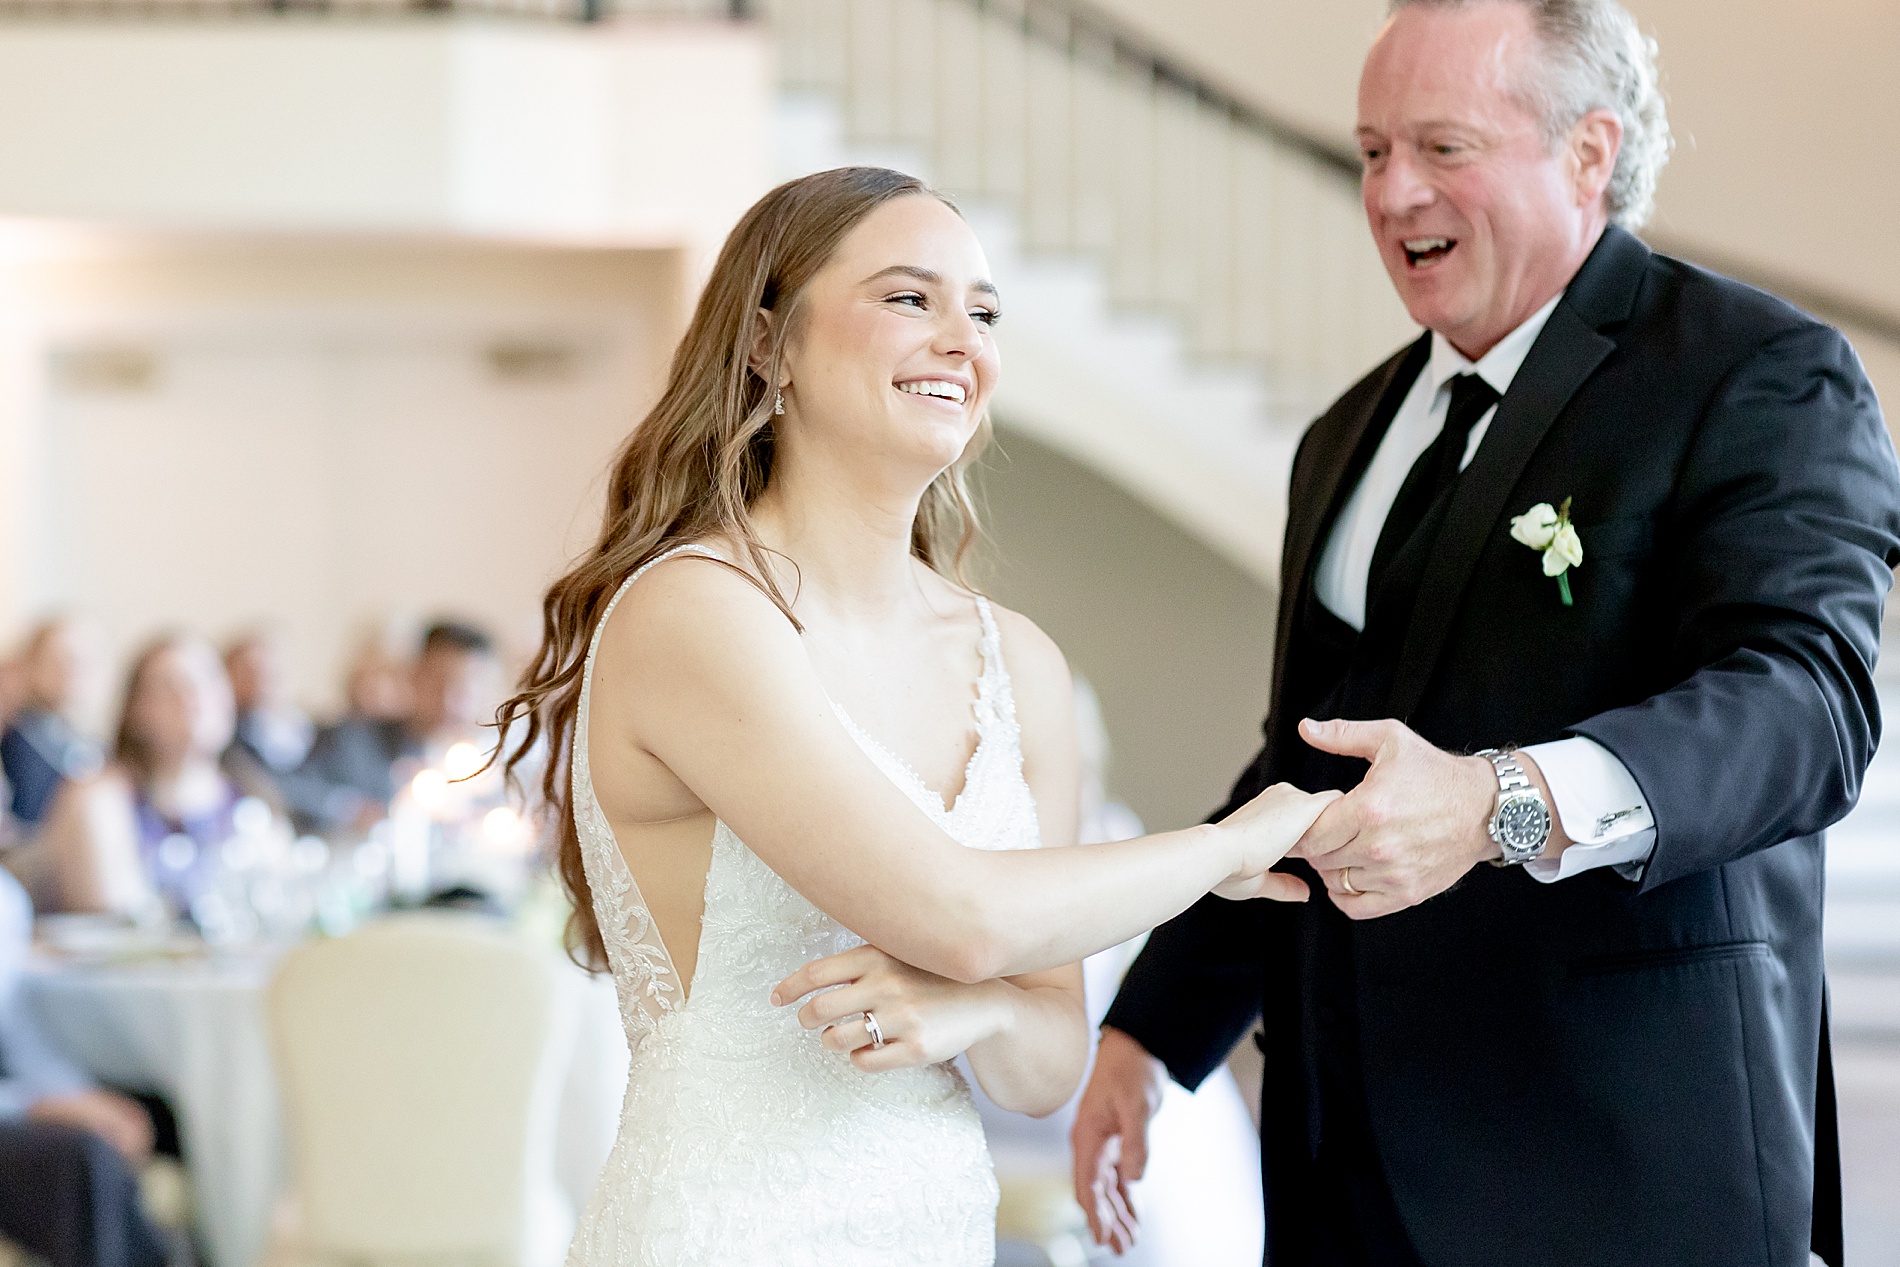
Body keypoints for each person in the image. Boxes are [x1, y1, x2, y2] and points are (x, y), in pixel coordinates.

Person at [1074, 3, 1900, 1266]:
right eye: (1368, 150)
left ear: (1588, 153)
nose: (1393, 191)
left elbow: (1806, 706)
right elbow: (1303, 770)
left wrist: (1498, 800)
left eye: (1442, 148)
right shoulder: (1343, 436)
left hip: (1617, 1170)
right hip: (1342, 1172)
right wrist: (1150, 1030)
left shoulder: (1756, 372)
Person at [492, 165, 1334, 1266]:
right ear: (765, 342)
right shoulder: (693, 611)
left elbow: (1045, 1052)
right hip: (724, 1229)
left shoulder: (1019, 663)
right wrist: (1228, 844)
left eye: (982, 313)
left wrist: (974, 1010)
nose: (961, 340)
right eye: (909, 298)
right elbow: (963, 914)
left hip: (931, 1226)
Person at [25, 634, 272, 920]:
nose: (193, 696)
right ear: (135, 711)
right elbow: (116, 922)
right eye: (170, 685)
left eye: (207, 680)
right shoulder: (99, 799)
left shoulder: (254, 801)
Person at [0, 861, 168, 1267]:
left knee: (159, 1119)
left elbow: (17, 1032)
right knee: (80, 1164)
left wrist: (82, 1099)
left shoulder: (5, 899)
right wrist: (31, 1105)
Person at [295, 620, 499, 836]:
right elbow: (295, 791)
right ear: (413, 676)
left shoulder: (494, 766)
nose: (450, 701)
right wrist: (354, 810)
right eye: (438, 684)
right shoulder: (354, 741)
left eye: (464, 689)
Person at [1, 618, 105, 830]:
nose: (72, 672)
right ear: (31, 664)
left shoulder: (91, 743)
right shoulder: (16, 737)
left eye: (82, 662)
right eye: (61, 660)